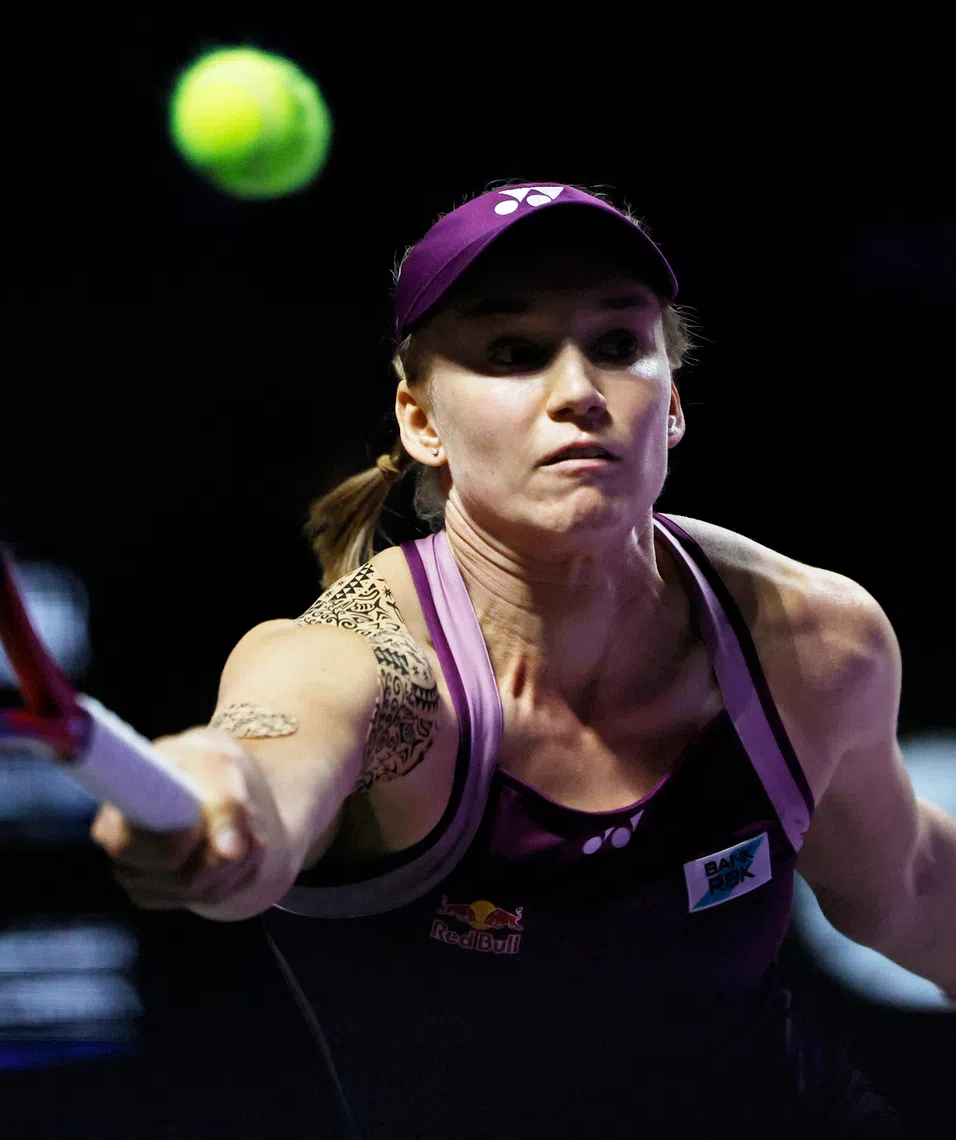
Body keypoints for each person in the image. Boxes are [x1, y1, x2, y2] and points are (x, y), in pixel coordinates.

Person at [90, 181, 931, 1137]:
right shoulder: (367, 666)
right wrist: (216, 797)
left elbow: (907, 891)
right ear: (421, 425)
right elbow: (265, 756)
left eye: (619, 347)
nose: (579, 392)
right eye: (513, 353)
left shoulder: (811, 640)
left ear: (674, 405)